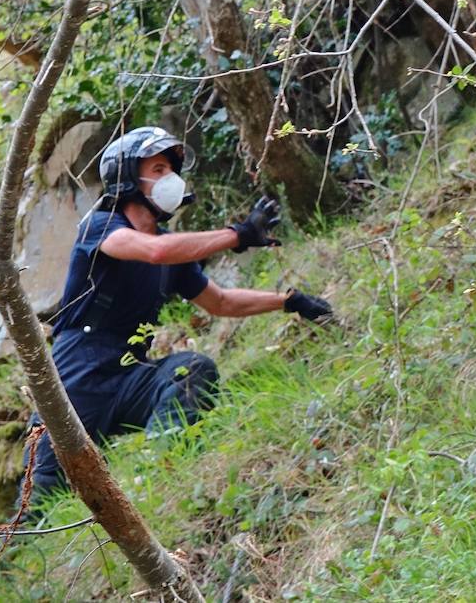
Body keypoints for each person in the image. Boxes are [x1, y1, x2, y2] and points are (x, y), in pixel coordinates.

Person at [18, 126, 331, 502]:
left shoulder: (170, 250)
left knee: (190, 371)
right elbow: (156, 252)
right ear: (127, 178)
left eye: (171, 170)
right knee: (39, 502)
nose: (170, 179)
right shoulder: (100, 226)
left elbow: (221, 302)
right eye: (159, 169)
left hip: (129, 375)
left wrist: (288, 301)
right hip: (75, 381)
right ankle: (20, 540)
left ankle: (166, 480)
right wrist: (238, 234)